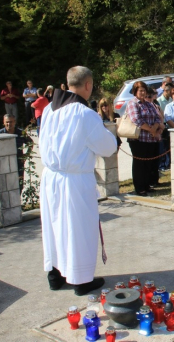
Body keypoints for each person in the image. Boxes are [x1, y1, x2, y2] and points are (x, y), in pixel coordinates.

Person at [39, 66, 117, 296]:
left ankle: (55, 275)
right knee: (78, 229)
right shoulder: (84, 114)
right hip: (74, 181)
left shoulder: (49, 110)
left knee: (54, 228)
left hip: (51, 177)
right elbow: (107, 147)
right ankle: (81, 280)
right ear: (88, 85)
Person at [126, 81, 163, 196]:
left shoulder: (149, 104)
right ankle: (139, 187)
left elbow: (158, 117)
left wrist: (155, 128)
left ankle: (147, 185)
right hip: (138, 139)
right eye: (140, 90)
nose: (142, 93)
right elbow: (137, 120)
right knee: (139, 164)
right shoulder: (133, 103)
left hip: (150, 139)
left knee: (149, 163)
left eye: (144, 90)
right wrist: (151, 130)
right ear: (135, 92)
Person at [0, 114, 33, 188]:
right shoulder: (1, 134)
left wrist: (26, 155)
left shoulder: (21, 133)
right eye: (7, 122)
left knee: (19, 183)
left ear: (15, 122)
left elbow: (30, 143)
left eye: (11, 122)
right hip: (4, 162)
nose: (9, 124)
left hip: (18, 162)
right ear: (4, 122)